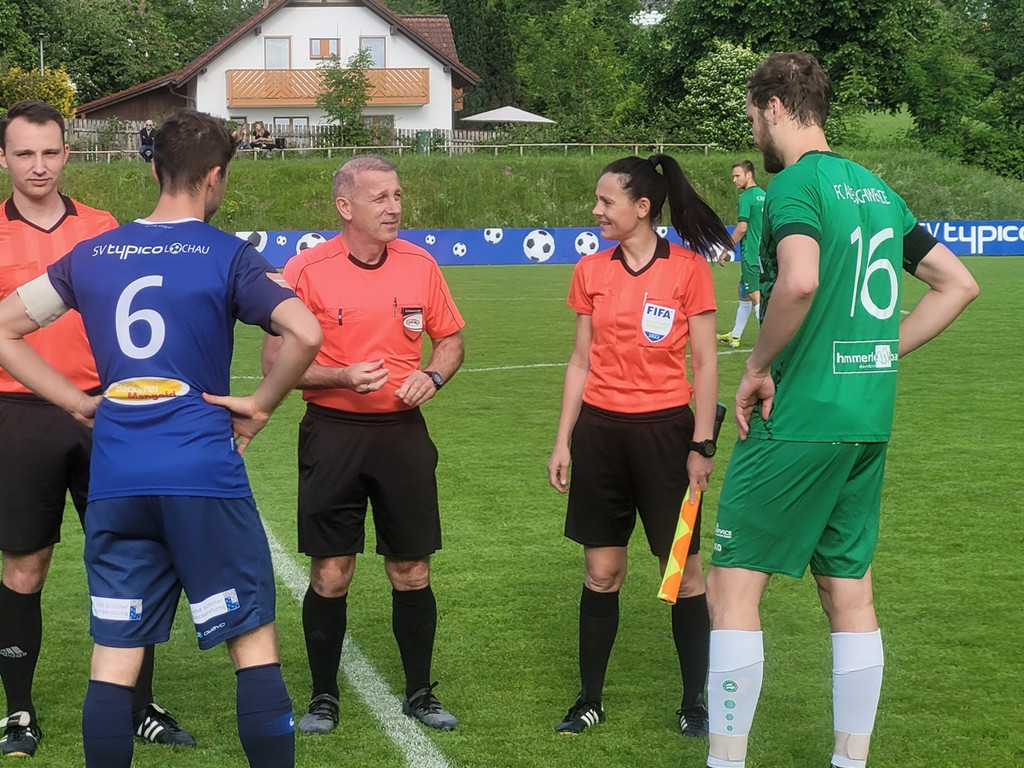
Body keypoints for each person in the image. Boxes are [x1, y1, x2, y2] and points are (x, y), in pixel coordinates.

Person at [0, 108, 323, 768]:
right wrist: (260, 404)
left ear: (152, 169)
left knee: (114, 654)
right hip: (201, 473)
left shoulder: (92, 253)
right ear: (216, 177)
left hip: (119, 476)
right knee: (252, 643)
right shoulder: (227, 253)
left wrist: (74, 401)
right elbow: (306, 333)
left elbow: (3, 327)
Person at [705, 52, 979, 768]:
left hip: (797, 419)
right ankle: (850, 762)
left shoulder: (796, 185)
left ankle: (724, 762)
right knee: (847, 590)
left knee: (731, 589)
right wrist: (877, 353)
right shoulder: (877, 190)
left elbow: (797, 282)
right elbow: (957, 285)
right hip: (865, 420)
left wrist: (756, 368)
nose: (753, 131)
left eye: (750, 116)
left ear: (771, 107)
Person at [0, 99, 196, 757]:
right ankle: (19, 713)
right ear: (4, 158)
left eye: (50, 151)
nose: (38, 165)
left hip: (105, 415)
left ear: (67, 153)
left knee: (131, 562)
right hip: (19, 419)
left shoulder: (104, 229)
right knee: (25, 568)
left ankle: (140, 703)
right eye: (24, 153)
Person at [263, 154, 465, 735]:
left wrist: (434, 375)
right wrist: (340, 376)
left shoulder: (420, 264)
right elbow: (277, 365)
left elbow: (450, 340)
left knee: (412, 569)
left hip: (402, 435)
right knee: (332, 571)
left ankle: (421, 692)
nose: (395, 207)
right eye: (380, 198)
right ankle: (324, 696)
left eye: (398, 195)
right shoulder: (305, 270)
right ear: (345, 207)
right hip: (333, 433)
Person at [546, 155, 732, 737]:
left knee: (681, 572)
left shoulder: (689, 270)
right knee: (601, 572)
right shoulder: (589, 270)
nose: (596, 210)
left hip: (666, 438)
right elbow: (580, 361)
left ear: (642, 207)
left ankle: (694, 701)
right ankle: (589, 699)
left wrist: (701, 444)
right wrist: (563, 442)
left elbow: (704, 364)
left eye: (606, 201)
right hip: (600, 436)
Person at [715, 160, 765, 348]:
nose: (734, 180)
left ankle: (771, 341)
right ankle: (735, 335)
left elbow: (742, 229)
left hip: (751, 253)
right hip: (764, 254)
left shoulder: (746, 197)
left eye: (737, 176)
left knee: (753, 294)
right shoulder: (765, 196)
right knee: (743, 292)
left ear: (749, 175)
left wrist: (726, 248)